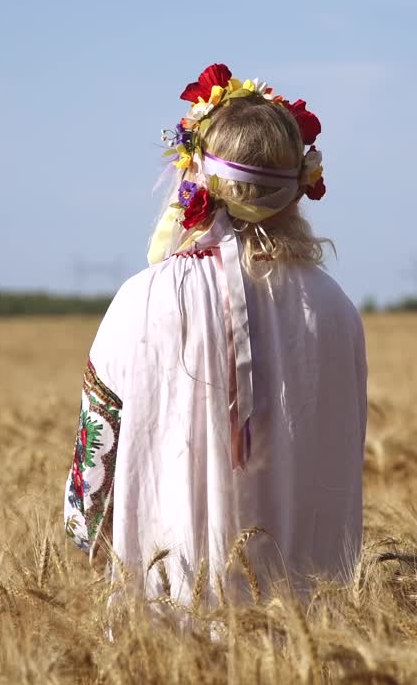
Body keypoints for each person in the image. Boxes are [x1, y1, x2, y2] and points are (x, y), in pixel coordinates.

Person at [63, 64, 367, 607]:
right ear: (298, 188)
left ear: (195, 178)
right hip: (308, 642)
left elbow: (93, 486)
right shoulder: (337, 310)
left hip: (170, 636)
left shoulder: (143, 298)